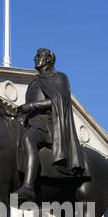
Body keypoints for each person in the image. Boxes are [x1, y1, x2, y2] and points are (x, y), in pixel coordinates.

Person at [13, 48, 85, 201]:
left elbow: (59, 101)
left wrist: (31, 107)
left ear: (48, 59)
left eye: (39, 56)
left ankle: (28, 187)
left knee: (28, 139)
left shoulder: (59, 77)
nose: (34, 58)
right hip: (32, 123)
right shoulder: (34, 82)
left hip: (48, 125)